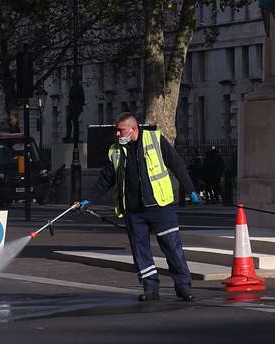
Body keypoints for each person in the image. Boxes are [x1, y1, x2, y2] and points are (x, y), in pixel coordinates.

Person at [83, 113, 200, 302]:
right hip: (133, 210)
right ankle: (150, 287)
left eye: (120, 130)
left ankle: (183, 286)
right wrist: (88, 199)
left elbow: (176, 164)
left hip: (160, 206)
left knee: (172, 247)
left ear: (133, 128)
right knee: (140, 251)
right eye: (117, 131)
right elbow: (105, 179)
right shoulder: (115, 150)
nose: (117, 134)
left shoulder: (154, 139)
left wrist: (190, 190)